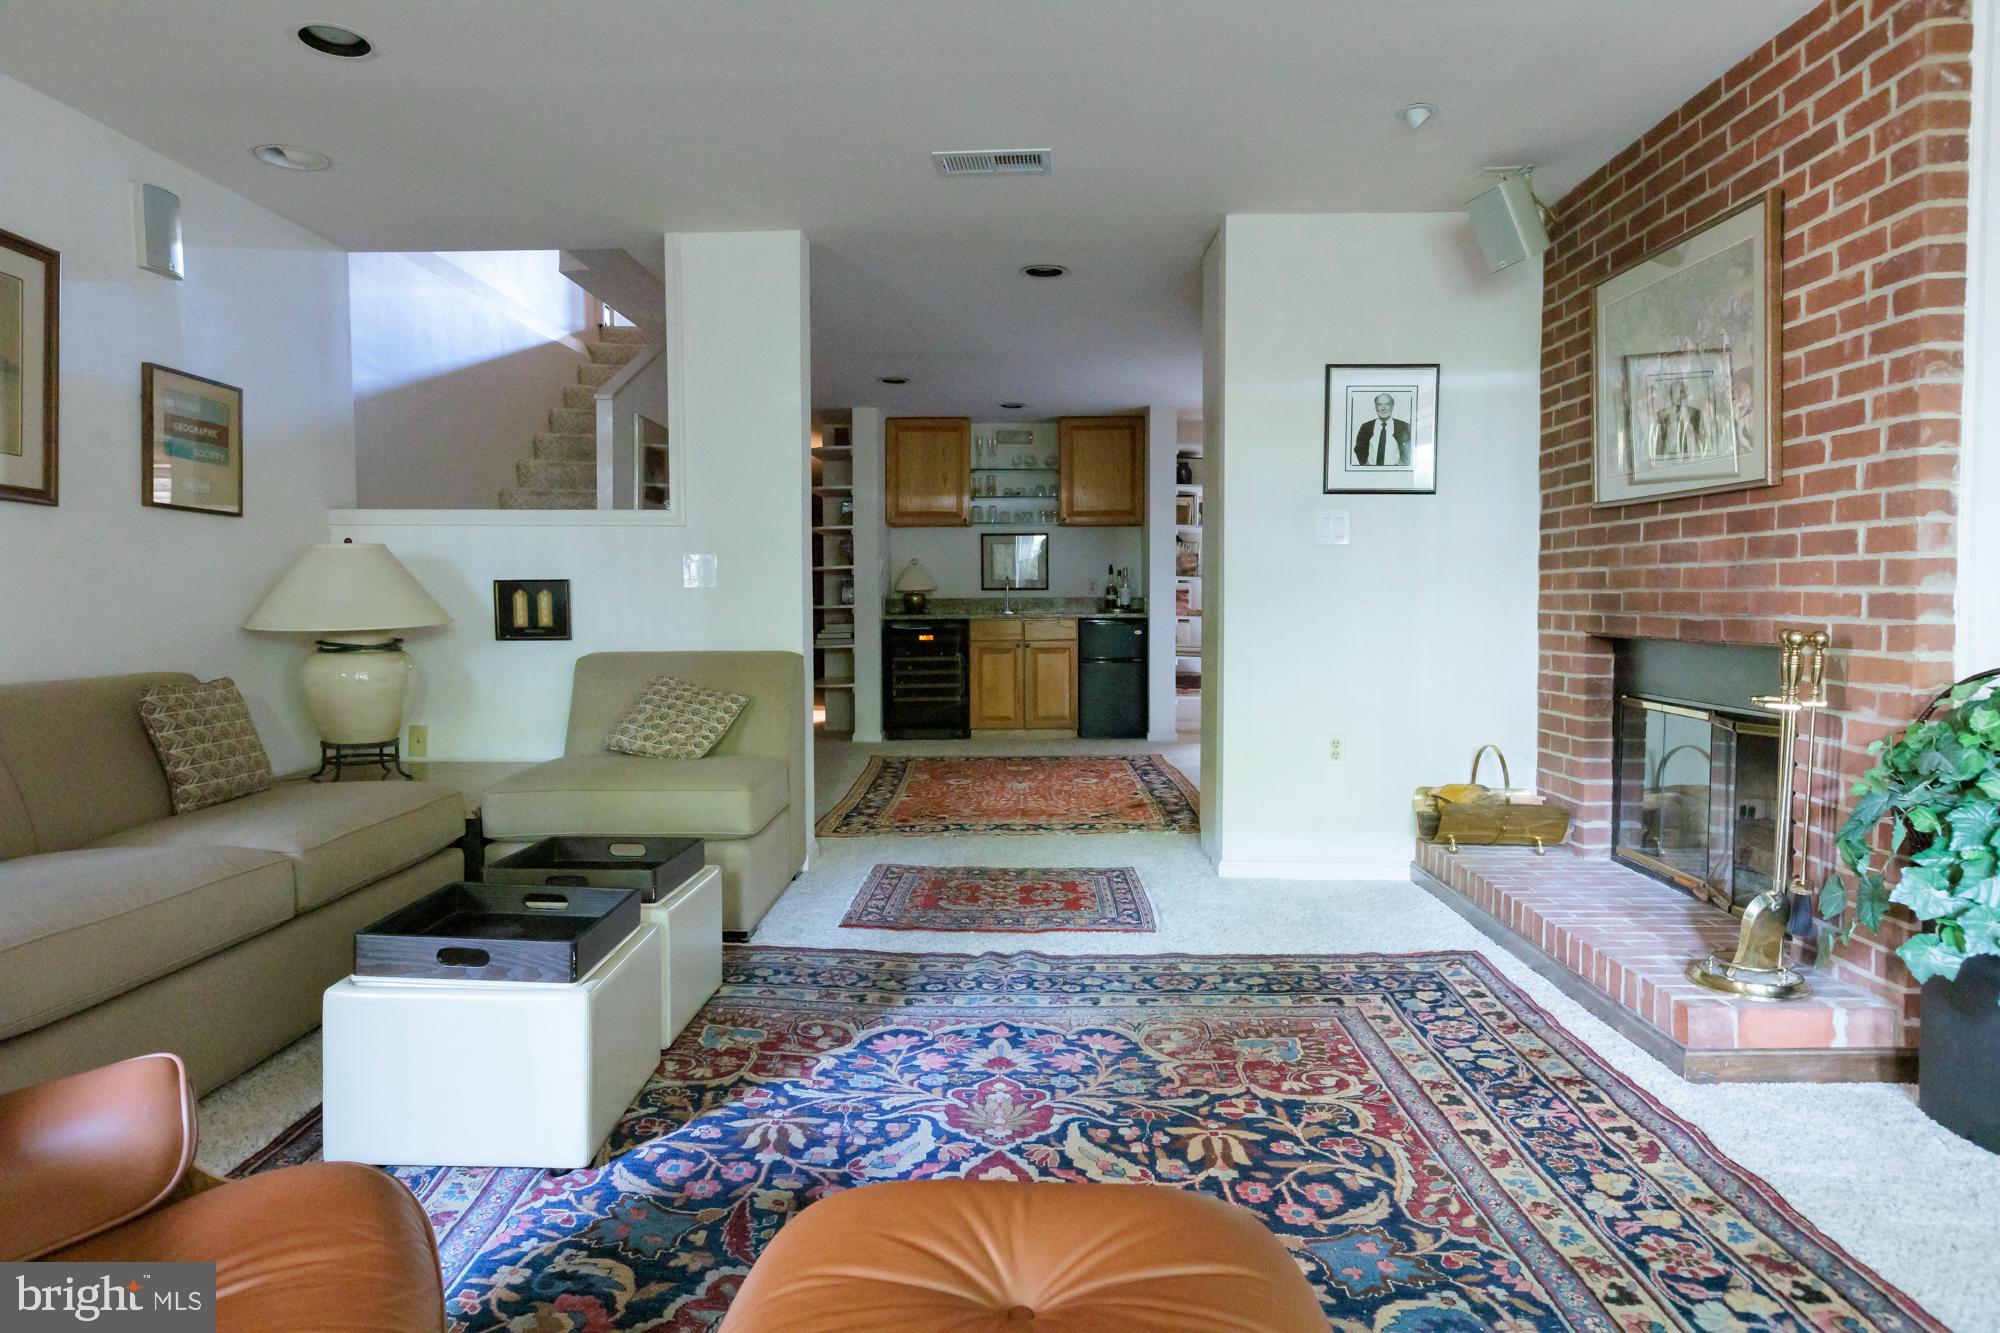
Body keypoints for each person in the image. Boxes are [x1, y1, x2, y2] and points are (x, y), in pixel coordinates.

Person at [1651, 379, 1706, 459]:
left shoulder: (1695, 412)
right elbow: (1658, 436)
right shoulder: (1663, 414)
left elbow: (1701, 437)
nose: (1678, 396)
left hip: (1691, 452)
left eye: (1680, 392)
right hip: (1670, 452)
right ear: (1670, 395)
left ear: (1684, 394)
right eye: (1674, 392)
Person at [1352, 393, 1411, 467]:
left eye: (1387, 404)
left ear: (1392, 406)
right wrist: (1366, 467)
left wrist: (1400, 468)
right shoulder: (1366, 427)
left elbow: (1410, 450)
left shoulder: (1404, 426)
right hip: (1371, 473)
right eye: (1379, 404)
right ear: (1375, 407)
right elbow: (1359, 448)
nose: (1383, 408)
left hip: (1393, 474)